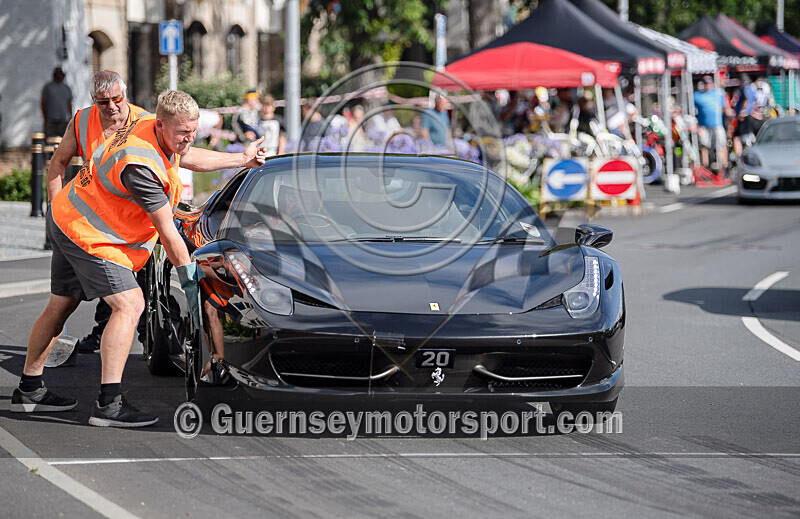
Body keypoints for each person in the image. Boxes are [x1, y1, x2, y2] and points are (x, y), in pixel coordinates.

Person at [10, 90, 267, 427]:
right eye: (182, 133)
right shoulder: (140, 165)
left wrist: (241, 160)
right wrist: (190, 282)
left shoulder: (150, 124)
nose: (188, 139)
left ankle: (28, 390)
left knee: (60, 305)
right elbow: (167, 231)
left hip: (69, 217)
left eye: (193, 132)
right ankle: (110, 404)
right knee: (129, 305)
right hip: (88, 233)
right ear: (161, 125)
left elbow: (187, 156)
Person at [46, 70, 149, 354]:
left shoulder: (144, 121)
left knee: (133, 290)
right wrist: (54, 209)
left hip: (131, 222)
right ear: (94, 100)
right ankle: (36, 375)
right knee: (65, 298)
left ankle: (146, 337)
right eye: (103, 102)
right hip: (89, 222)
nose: (112, 106)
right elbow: (57, 164)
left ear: (124, 94)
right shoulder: (81, 120)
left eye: (117, 99)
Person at [694, 77, 728, 171]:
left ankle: (724, 167)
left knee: (720, 145)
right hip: (704, 126)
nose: (707, 85)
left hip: (717, 125)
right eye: (706, 83)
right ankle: (706, 167)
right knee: (704, 145)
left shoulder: (718, 94)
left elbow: (725, 108)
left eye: (709, 83)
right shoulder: (697, 95)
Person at [41, 67, 73, 138]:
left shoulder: (67, 88)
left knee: (63, 141)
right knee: (50, 142)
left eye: (61, 75)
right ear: (54, 75)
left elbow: (69, 104)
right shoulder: (48, 87)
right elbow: (43, 103)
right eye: (58, 74)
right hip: (51, 121)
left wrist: (70, 118)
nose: (59, 76)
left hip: (64, 121)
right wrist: (45, 118)